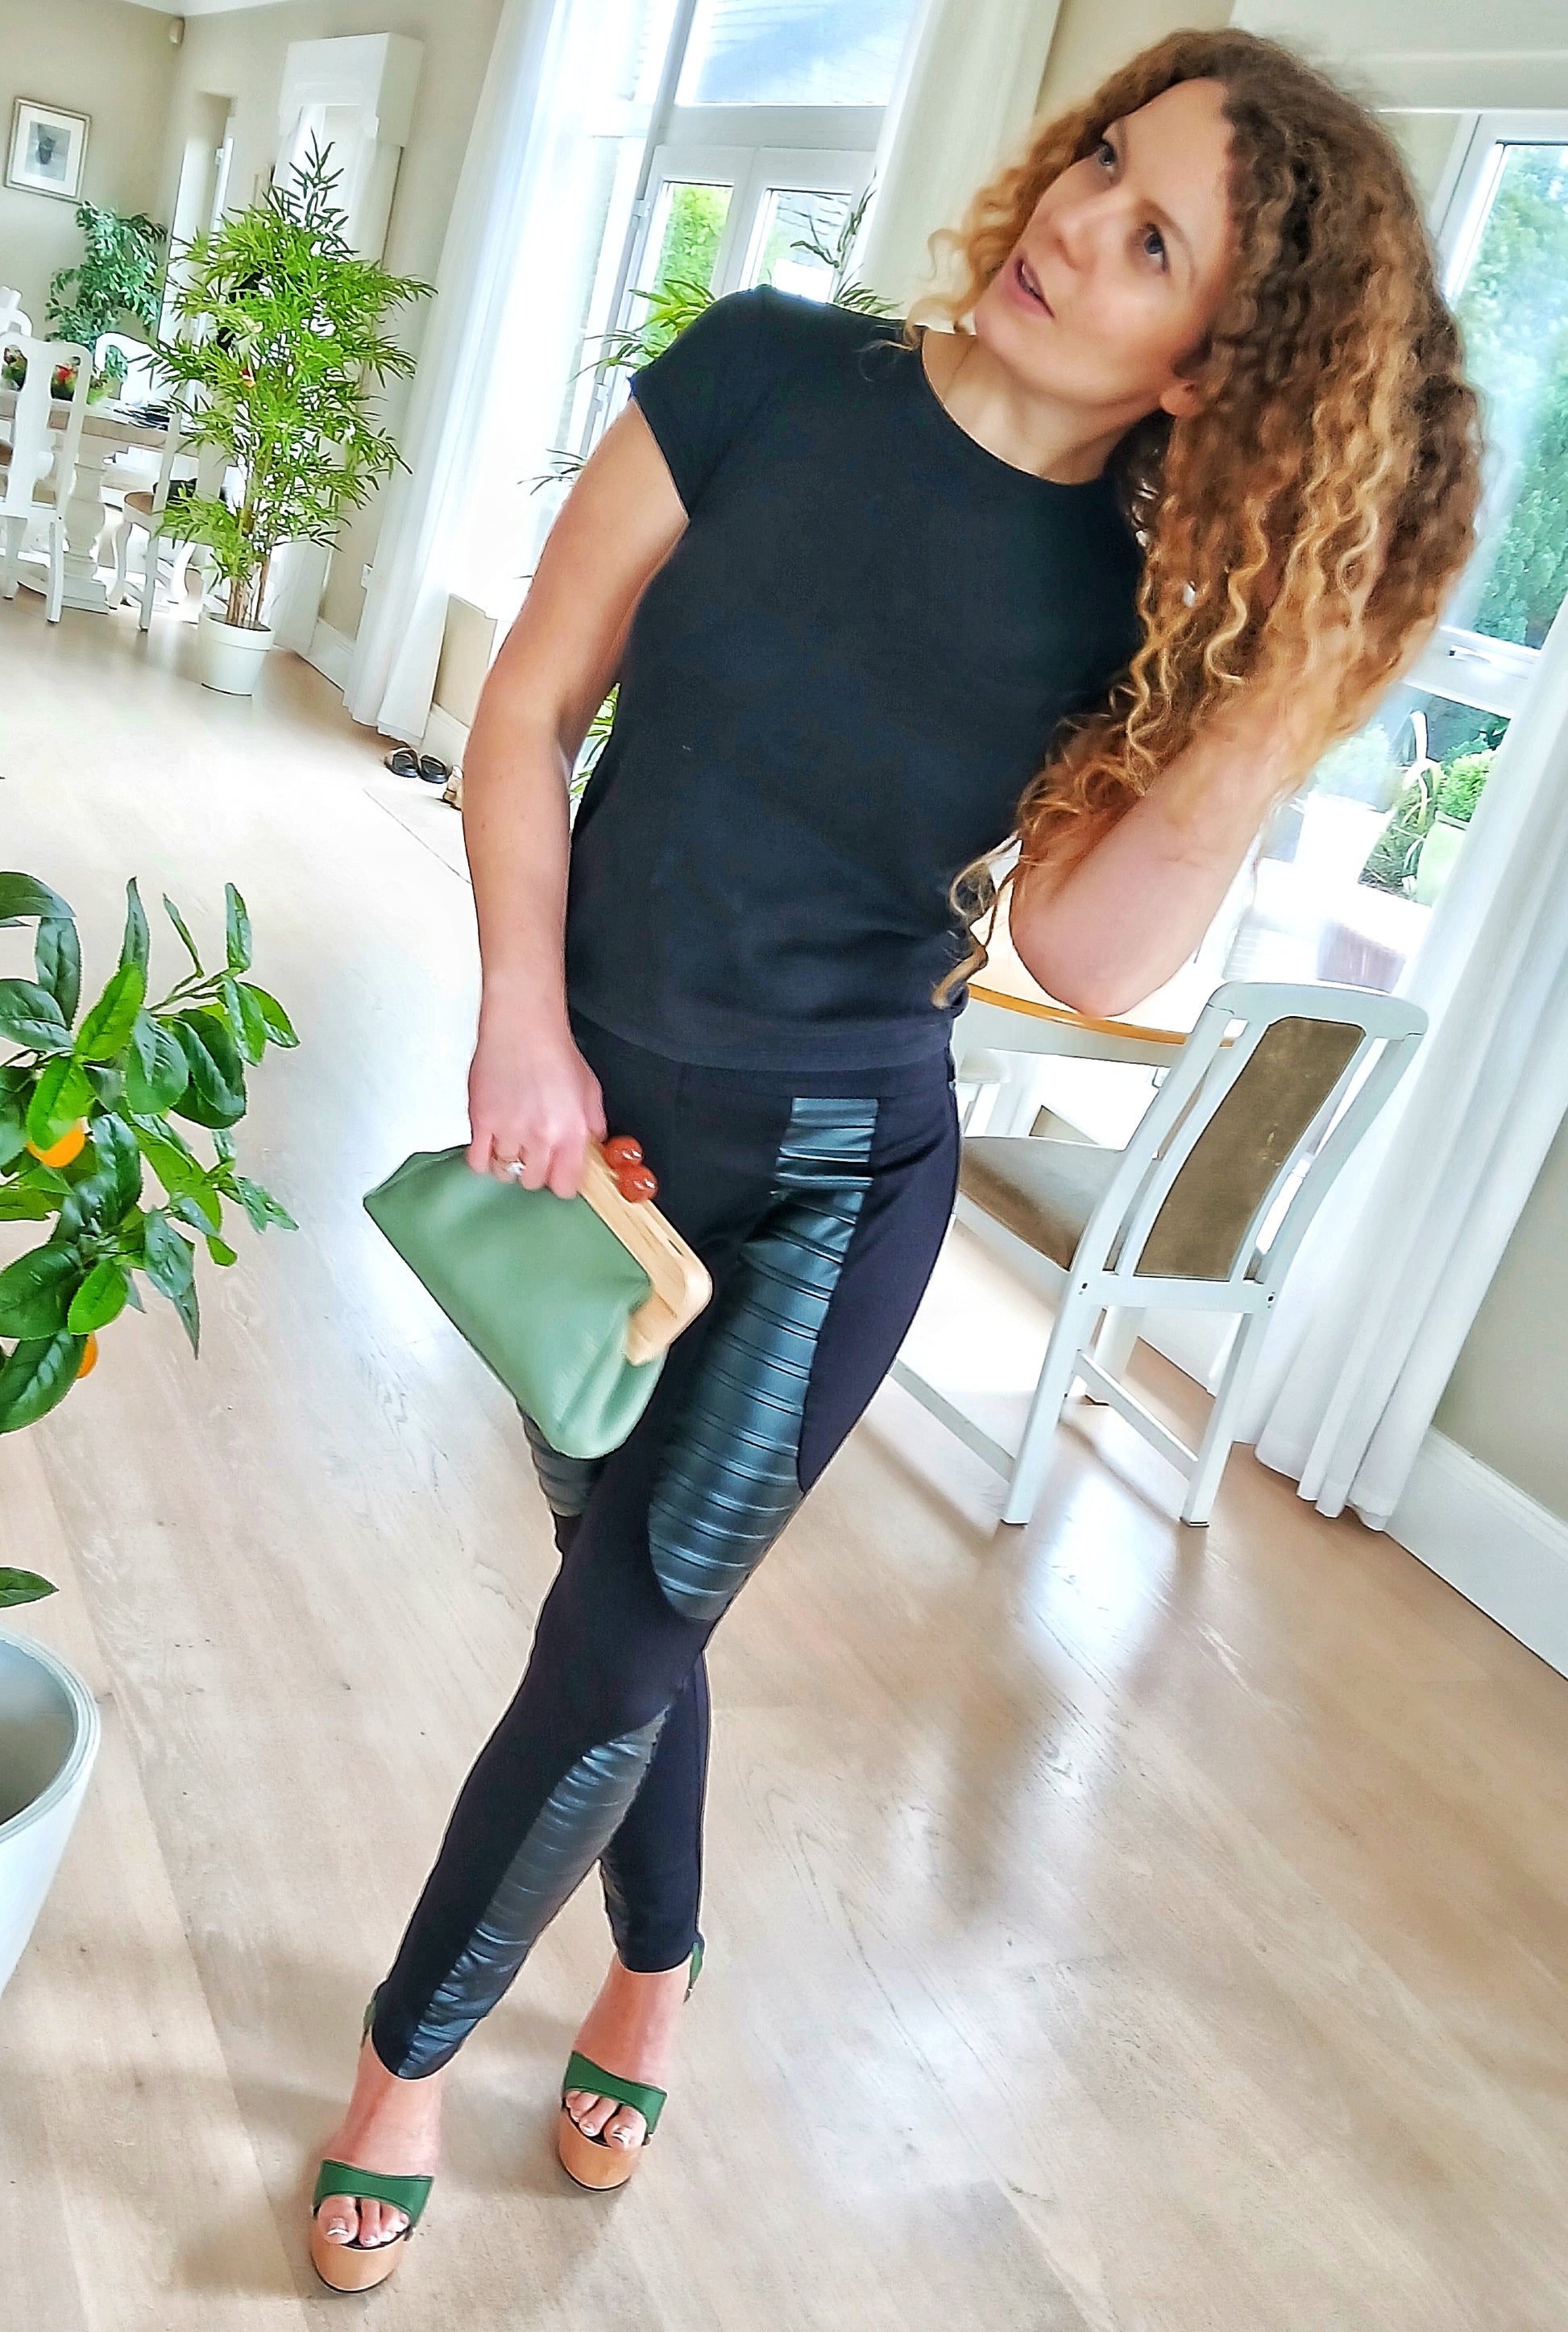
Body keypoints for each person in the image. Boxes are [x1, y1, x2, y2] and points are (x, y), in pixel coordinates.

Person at [309, 28, 1479, 2288]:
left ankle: (399, 2069)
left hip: (845, 1177)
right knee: (633, 1608)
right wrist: (520, 1017)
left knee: (621, 1634)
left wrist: (1265, 718)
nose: (1076, 223)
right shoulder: (761, 373)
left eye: (1154, 242)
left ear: (1206, 366)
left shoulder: (1135, 599)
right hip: (599, 1152)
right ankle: (662, 1965)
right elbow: (531, 705)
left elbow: (1087, 954)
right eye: (1103, 162)